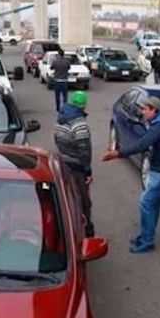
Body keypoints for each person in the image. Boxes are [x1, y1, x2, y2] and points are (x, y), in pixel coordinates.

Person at [101, 95, 160, 254]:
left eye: (145, 109)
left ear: (154, 110)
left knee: (146, 203)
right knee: (154, 203)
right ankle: (147, 235)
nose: (142, 111)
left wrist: (118, 153)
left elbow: (142, 144)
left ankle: (147, 241)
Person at [54, 90, 95, 236]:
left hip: (62, 163)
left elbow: (57, 139)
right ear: (83, 105)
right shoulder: (79, 124)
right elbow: (84, 150)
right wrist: (87, 171)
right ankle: (87, 230)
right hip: (76, 167)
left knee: (65, 196)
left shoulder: (61, 117)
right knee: (83, 200)